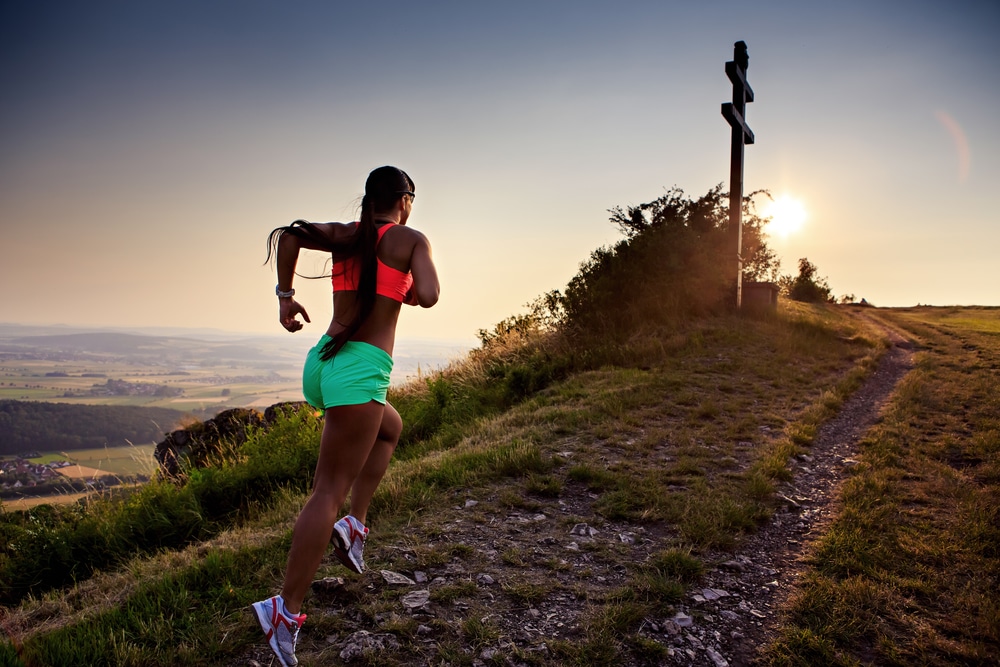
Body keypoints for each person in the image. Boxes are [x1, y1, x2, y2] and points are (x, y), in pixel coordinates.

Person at [252, 166, 439, 667]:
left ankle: (355, 525)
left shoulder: (349, 236)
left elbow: (289, 235)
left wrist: (286, 297)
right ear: (405, 198)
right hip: (359, 371)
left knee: (389, 428)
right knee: (326, 491)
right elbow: (431, 294)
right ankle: (283, 611)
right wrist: (409, 289)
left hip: (324, 361)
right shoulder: (410, 238)